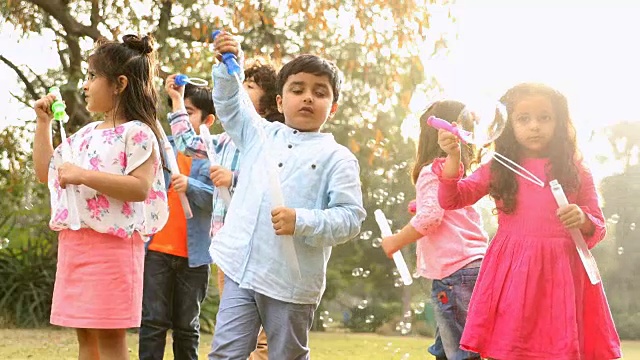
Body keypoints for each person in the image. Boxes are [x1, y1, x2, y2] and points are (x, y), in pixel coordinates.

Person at [208, 32, 366, 359]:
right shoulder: (259, 133)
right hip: (241, 270)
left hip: (291, 284)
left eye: (319, 92)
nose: (307, 97)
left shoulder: (337, 158)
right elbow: (228, 105)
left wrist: (302, 220)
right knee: (225, 355)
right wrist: (226, 67)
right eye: (297, 89)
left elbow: (350, 218)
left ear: (332, 107)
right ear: (279, 101)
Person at [435, 82, 622, 359]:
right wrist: (452, 158)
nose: (534, 126)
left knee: (560, 348)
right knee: (511, 347)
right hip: (514, 272)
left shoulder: (576, 168)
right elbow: (453, 199)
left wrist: (582, 218)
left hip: (563, 272)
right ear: (509, 124)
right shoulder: (499, 167)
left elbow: (598, 223)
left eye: (544, 117)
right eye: (524, 118)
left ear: (559, 122)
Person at [32, 34, 168, 360]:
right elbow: (45, 172)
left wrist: (81, 175)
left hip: (115, 247)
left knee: (109, 338)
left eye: (93, 77)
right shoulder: (85, 135)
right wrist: (42, 123)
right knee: (86, 339)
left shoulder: (137, 132)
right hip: (77, 244)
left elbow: (139, 187)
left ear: (119, 83)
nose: (85, 85)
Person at [168, 59, 281, 360]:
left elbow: (275, 183)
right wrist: (178, 101)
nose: (241, 91)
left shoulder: (270, 137)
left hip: (261, 248)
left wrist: (234, 179)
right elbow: (187, 143)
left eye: (250, 86)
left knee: (268, 338)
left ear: (269, 101)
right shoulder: (223, 140)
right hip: (229, 249)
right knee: (234, 331)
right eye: (240, 85)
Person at [382, 100, 487, 360]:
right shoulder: (459, 173)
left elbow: (431, 218)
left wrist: (396, 240)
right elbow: (445, 209)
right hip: (476, 266)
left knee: (461, 353)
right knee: (447, 347)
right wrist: (421, 204)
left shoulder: (432, 171)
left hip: (453, 272)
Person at [138, 83, 216, 360]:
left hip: (194, 258)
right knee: (152, 322)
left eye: (189, 111)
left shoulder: (213, 156)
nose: (179, 116)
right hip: (156, 250)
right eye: (176, 108)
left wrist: (192, 185)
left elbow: (220, 200)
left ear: (207, 120)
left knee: (186, 327)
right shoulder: (160, 149)